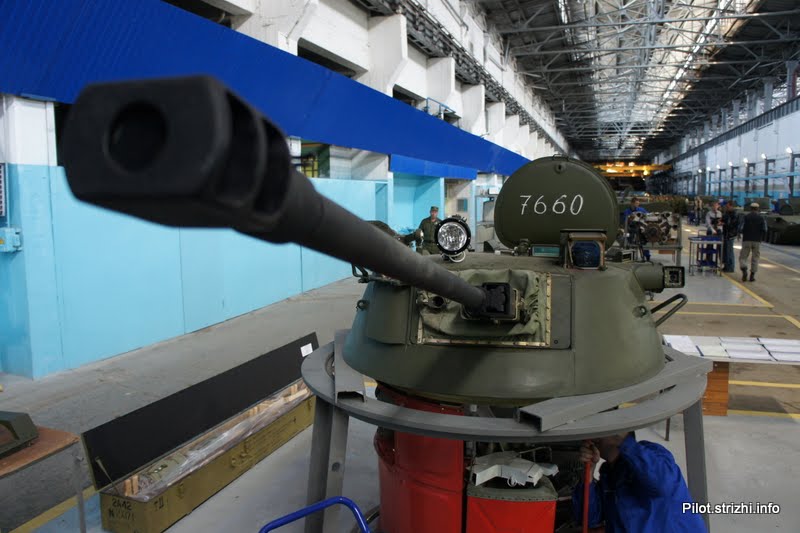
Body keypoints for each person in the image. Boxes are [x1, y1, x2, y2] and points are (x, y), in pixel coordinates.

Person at [572, 433, 707, 532]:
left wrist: (623, 441)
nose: (592, 439)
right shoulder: (609, 474)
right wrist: (588, 474)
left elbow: (663, 485)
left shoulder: (651, 453)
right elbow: (589, 519)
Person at [738, 202, 768, 282]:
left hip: (746, 239)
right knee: (755, 258)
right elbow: (765, 229)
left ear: (750, 209)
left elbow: (740, 228)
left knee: (743, 257)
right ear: (758, 209)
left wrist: (742, 233)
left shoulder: (745, 217)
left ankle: (744, 269)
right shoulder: (762, 218)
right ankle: (752, 276)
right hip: (757, 240)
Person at [721, 201, 739, 272]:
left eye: (728, 207)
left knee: (729, 251)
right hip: (726, 234)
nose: (726, 208)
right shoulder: (727, 213)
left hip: (730, 234)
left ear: (732, 206)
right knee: (726, 251)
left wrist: (724, 223)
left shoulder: (735, 214)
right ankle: (726, 266)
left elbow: (732, 224)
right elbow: (724, 219)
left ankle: (730, 267)